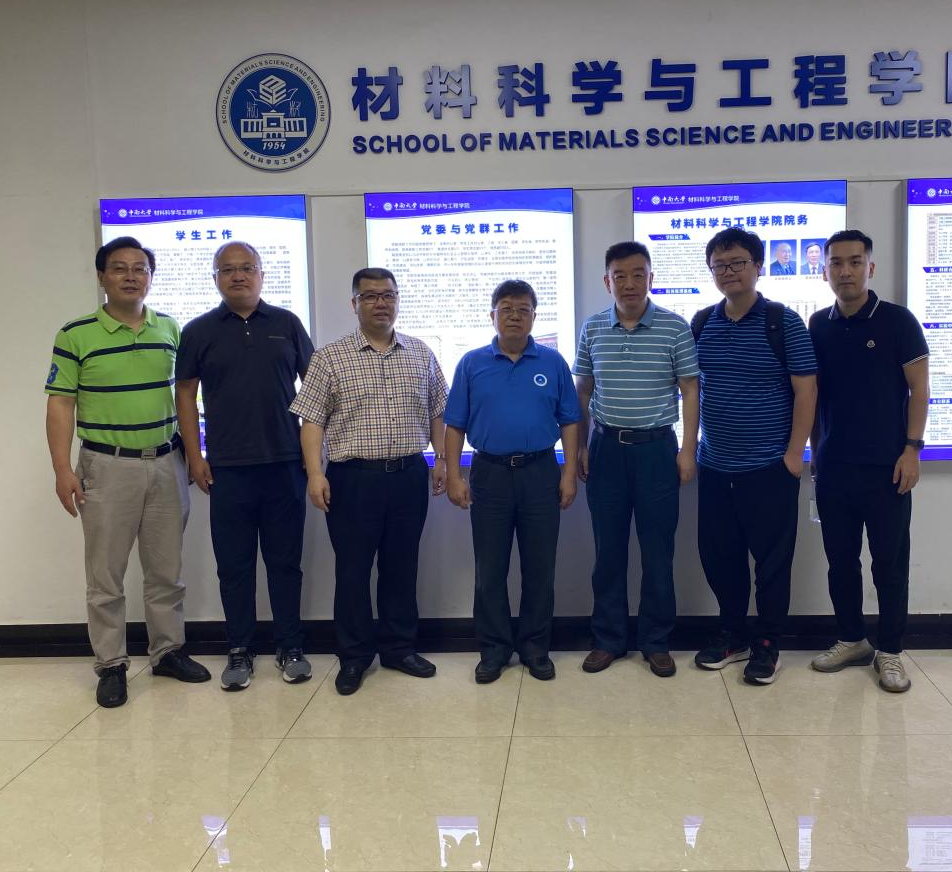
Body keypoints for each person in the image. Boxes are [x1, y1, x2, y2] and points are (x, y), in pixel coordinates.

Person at [44, 236, 210, 708]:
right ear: (102, 277)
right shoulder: (75, 334)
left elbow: (185, 398)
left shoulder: (170, 329)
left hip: (166, 462)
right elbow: (60, 404)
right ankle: (111, 664)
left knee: (166, 570)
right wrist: (62, 469)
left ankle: (167, 652)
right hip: (106, 465)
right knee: (105, 575)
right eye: (120, 268)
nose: (131, 276)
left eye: (140, 268)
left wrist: (193, 454)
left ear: (151, 277)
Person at [289, 268, 448, 695]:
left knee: (401, 567)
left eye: (388, 295)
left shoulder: (420, 352)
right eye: (371, 296)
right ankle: (354, 656)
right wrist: (315, 473)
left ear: (398, 300)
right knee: (353, 571)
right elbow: (311, 420)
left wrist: (441, 459)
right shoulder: (330, 357)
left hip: (408, 476)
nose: (381, 303)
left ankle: (399, 649)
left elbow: (438, 410)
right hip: (352, 480)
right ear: (354, 303)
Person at [175, 241, 315, 692]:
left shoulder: (287, 324)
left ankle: (290, 646)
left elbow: (315, 390)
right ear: (215, 278)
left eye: (247, 268)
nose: (238, 275)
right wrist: (195, 455)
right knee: (234, 566)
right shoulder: (198, 331)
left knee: (285, 563)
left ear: (261, 274)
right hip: (228, 469)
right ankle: (239, 649)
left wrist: (313, 458)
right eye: (228, 269)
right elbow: (185, 394)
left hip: (285, 465)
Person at [692, 228, 817, 686]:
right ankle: (733, 635)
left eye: (738, 262)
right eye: (720, 265)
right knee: (720, 557)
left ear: (758, 267)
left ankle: (767, 643)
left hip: (768, 468)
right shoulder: (702, 323)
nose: (729, 272)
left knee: (772, 563)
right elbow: (690, 387)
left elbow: (807, 391)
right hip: (714, 466)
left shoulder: (783, 322)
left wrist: (793, 455)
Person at [808, 229, 929, 693]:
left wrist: (912, 449)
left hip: (888, 468)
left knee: (889, 564)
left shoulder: (898, 321)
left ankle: (891, 650)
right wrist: (815, 452)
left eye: (855, 262)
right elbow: (813, 395)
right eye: (836, 263)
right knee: (840, 561)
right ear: (824, 271)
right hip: (834, 468)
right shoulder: (818, 325)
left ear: (870, 268)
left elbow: (920, 389)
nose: (846, 271)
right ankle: (852, 639)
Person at [444, 280, 580, 684]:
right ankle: (494, 649)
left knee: (540, 568)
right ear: (492, 316)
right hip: (490, 474)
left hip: (540, 472)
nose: (515, 316)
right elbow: (455, 424)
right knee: (490, 569)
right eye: (506, 308)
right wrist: (454, 475)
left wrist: (568, 474)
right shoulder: (471, 363)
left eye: (523, 309)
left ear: (535, 316)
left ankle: (536, 648)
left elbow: (570, 421)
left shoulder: (553, 362)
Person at [574, 242, 699, 677]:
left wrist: (687, 449)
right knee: (608, 551)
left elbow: (690, 390)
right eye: (620, 275)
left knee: (658, 552)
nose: (629, 283)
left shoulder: (674, 327)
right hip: (606, 449)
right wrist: (581, 447)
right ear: (607, 281)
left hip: (657, 451)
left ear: (651, 278)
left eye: (638, 274)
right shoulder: (593, 327)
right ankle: (608, 639)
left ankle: (656, 641)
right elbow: (583, 391)